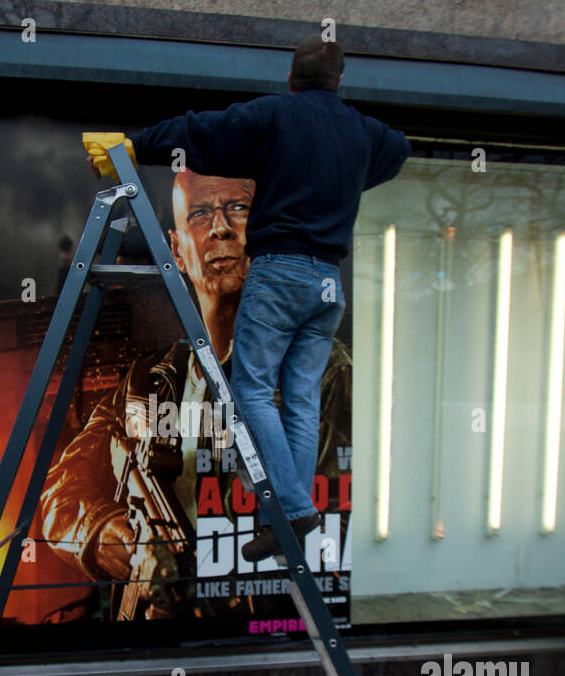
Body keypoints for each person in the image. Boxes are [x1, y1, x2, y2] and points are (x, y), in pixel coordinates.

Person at [119, 37, 411, 561]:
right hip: (328, 285)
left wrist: (136, 145)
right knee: (299, 400)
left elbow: (201, 129)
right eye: (202, 215)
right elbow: (398, 149)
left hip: (282, 275)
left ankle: (293, 509)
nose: (222, 229)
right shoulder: (363, 132)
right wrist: (345, 172)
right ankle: (291, 514)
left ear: (292, 79)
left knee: (250, 394)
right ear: (340, 82)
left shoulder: (278, 115)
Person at [38, 168, 351, 619]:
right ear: (176, 250)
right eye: (200, 214)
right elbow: (61, 490)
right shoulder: (148, 381)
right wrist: (110, 535)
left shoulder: (325, 373)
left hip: (261, 637)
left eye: (239, 210)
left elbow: (337, 533)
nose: (220, 227)